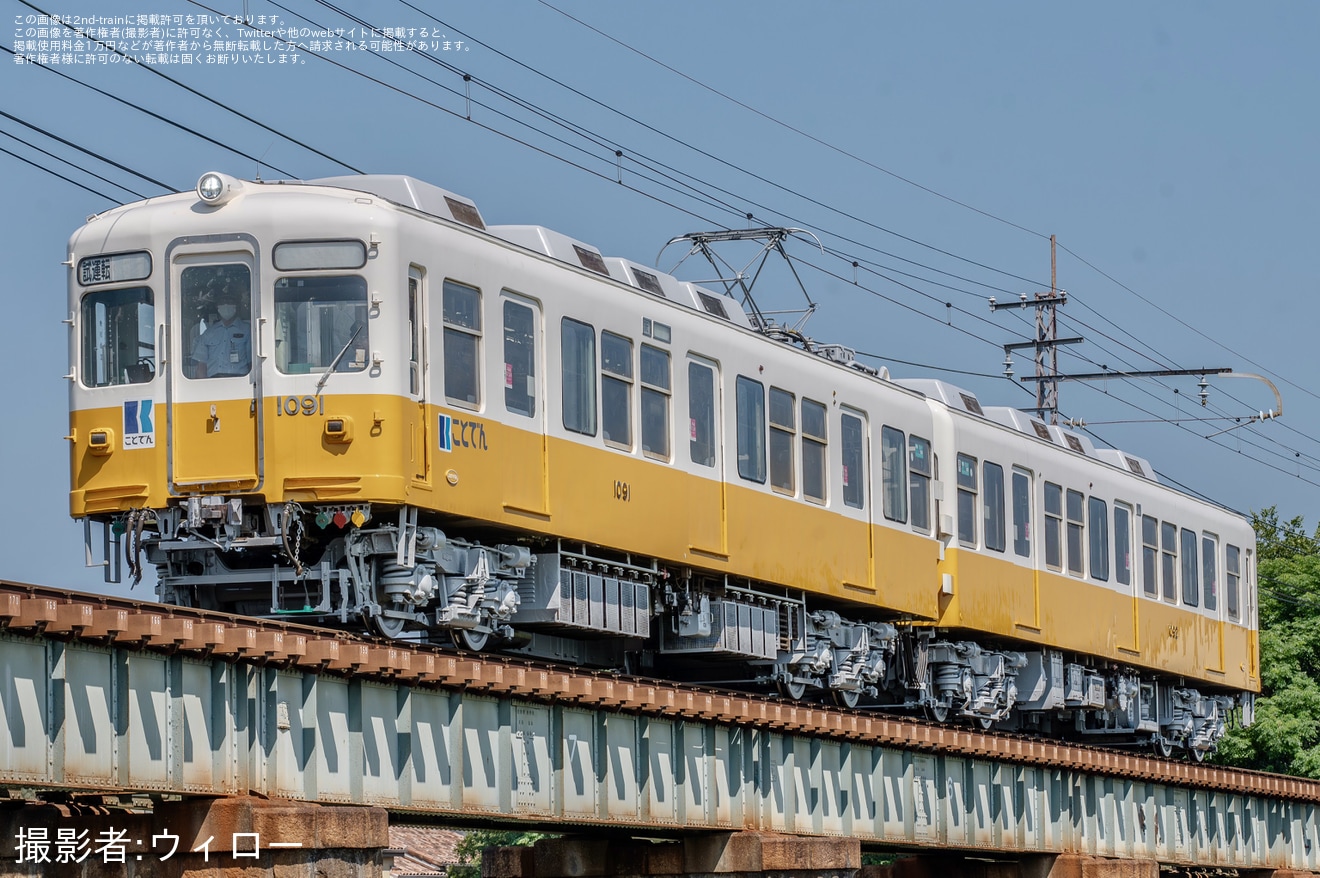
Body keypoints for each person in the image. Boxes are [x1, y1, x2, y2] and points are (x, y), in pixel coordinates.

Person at [190, 290, 251, 378]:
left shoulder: (247, 330)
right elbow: (201, 366)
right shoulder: (208, 333)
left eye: (230, 301)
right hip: (214, 383)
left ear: (237, 305)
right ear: (217, 306)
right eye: (223, 302)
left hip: (240, 381)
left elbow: (252, 362)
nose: (226, 305)